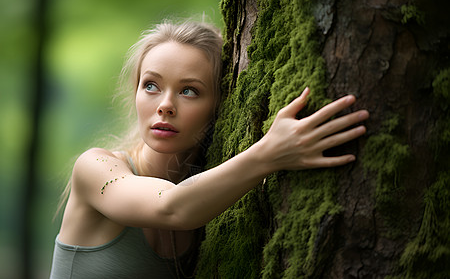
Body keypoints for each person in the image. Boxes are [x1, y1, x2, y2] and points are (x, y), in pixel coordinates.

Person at [49, 20, 369, 279]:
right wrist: (270, 153)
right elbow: (171, 207)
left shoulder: (217, 195)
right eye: (151, 85)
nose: (165, 105)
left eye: (189, 90)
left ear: (219, 107)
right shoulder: (95, 169)